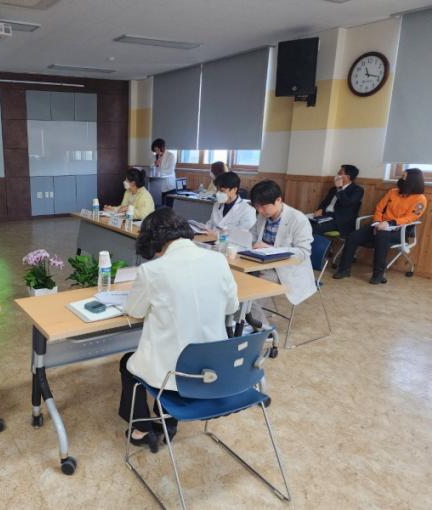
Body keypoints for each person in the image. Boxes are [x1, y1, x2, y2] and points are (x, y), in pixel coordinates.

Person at [118, 208, 239, 451]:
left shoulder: (152, 271)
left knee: (128, 363)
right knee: (172, 359)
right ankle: (168, 423)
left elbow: (135, 311)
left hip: (173, 374)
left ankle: (142, 429)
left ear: (153, 240)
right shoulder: (218, 260)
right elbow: (232, 307)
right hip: (212, 369)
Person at [333, 168, 427, 284]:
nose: (400, 179)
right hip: (379, 225)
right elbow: (379, 208)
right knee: (353, 237)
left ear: (412, 181)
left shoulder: (420, 199)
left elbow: (411, 217)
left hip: (399, 230)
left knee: (381, 236)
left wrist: (389, 223)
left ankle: (378, 274)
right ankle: (344, 270)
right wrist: (377, 223)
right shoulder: (393, 192)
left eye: (403, 177)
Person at [249, 180, 316, 323]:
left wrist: (271, 249)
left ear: (278, 200)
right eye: (257, 207)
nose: (260, 211)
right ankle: (248, 323)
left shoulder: (298, 219)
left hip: (285, 270)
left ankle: (264, 331)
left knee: (248, 295)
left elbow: (303, 252)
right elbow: (252, 237)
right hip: (260, 264)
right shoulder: (262, 216)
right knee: (234, 285)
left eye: (263, 206)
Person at [311, 164, 364, 235]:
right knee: (305, 222)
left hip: (340, 220)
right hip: (325, 215)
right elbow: (325, 202)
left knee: (315, 227)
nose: (337, 175)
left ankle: (314, 242)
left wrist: (339, 188)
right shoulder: (333, 189)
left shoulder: (357, 190)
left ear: (348, 177)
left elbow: (346, 203)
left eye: (340, 173)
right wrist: (320, 209)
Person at [151, 138, 177, 206]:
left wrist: (159, 170)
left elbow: (170, 171)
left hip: (169, 186)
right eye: (155, 150)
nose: (156, 152)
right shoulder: (155, 156)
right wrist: (155, 165)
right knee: (159, 207)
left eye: (157, 150)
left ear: (162, 147)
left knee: (168, 207)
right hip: (158, 187)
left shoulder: (171, 155)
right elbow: (152, 169)